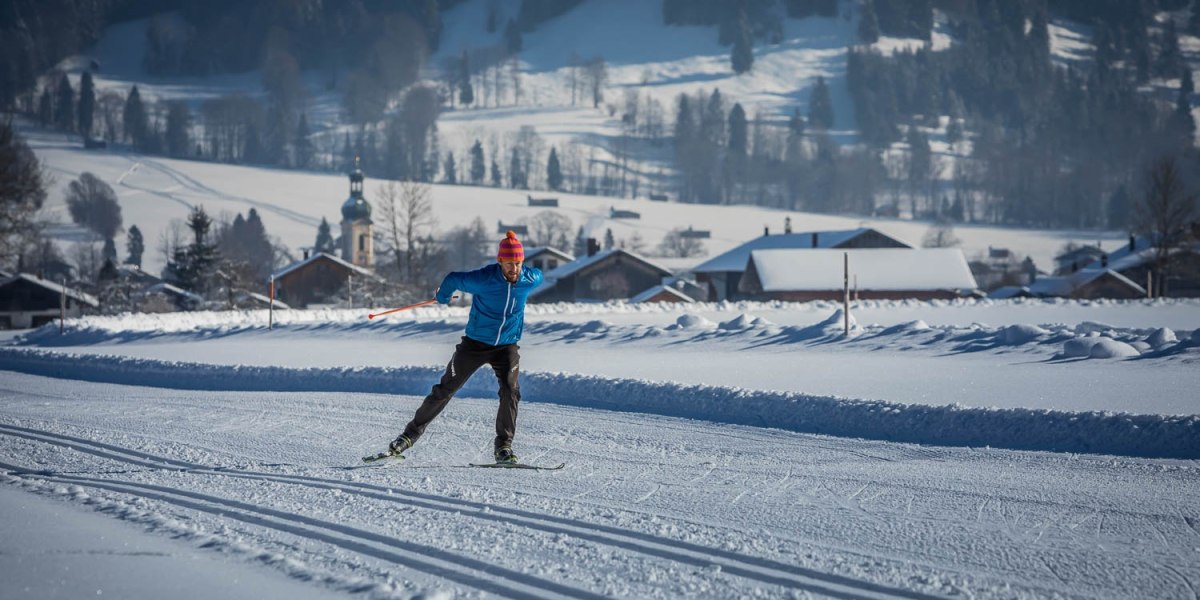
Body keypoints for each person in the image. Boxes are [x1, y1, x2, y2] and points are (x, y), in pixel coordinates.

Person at [386, 230, 543, 464]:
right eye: (510, 264)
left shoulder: (530, 278)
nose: (514, 269)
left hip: (507, 346)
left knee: (511, 391)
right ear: (500, 261)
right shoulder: (483, 279)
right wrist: (443, 296)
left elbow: (539, 274)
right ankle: (408, 436)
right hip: (475, 345)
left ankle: (503, 447)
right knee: (445, 389)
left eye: (518, 263)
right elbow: (452, 278)